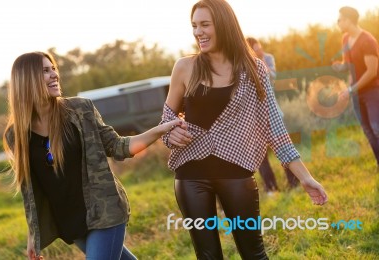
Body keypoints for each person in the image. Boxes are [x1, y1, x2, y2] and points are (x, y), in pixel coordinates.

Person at [159, 0, 328, 259]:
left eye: (205, 24)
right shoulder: (184, 67)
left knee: (254, 253)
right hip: (190, 174)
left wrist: (304, 177)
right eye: (194, 26)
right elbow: (167, 118)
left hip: (236, 172)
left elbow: (274, 125)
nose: (198, 32)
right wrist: (171, 134)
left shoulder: (253, 69)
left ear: (224, 25)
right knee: (208, 256)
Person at [2, 52, 182, 260]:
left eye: (53, 69)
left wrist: (160, 129)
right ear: (26, 80)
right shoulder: (16, 135)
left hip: (104, 212)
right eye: (45, 71)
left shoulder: (80, 110)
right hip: (71, 223)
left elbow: (118, 146)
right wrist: (33, 233)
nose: (54, 75)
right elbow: (34, 190)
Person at [246, 37, 299, 192]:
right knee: (261, 155)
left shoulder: (267, 59)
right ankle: (271, 188)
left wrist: (260, 60)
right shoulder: (243, 65)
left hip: (272, 111)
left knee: (284, 147)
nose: (260, 49)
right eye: (256, 48)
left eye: (260, 46)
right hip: (254, 117)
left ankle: (294, 182)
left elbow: (272, 77)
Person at [332, 6, 379, 172]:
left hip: (373, 92)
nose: (337, 23)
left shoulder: (368, 41)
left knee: (377, 129)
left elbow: (372, 71)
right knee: (368, 132)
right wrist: (341, 67)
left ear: (348, 20)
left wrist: (351, 90)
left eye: (339, 20)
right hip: (356, 94)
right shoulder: (345, 39)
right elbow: (349, 65)